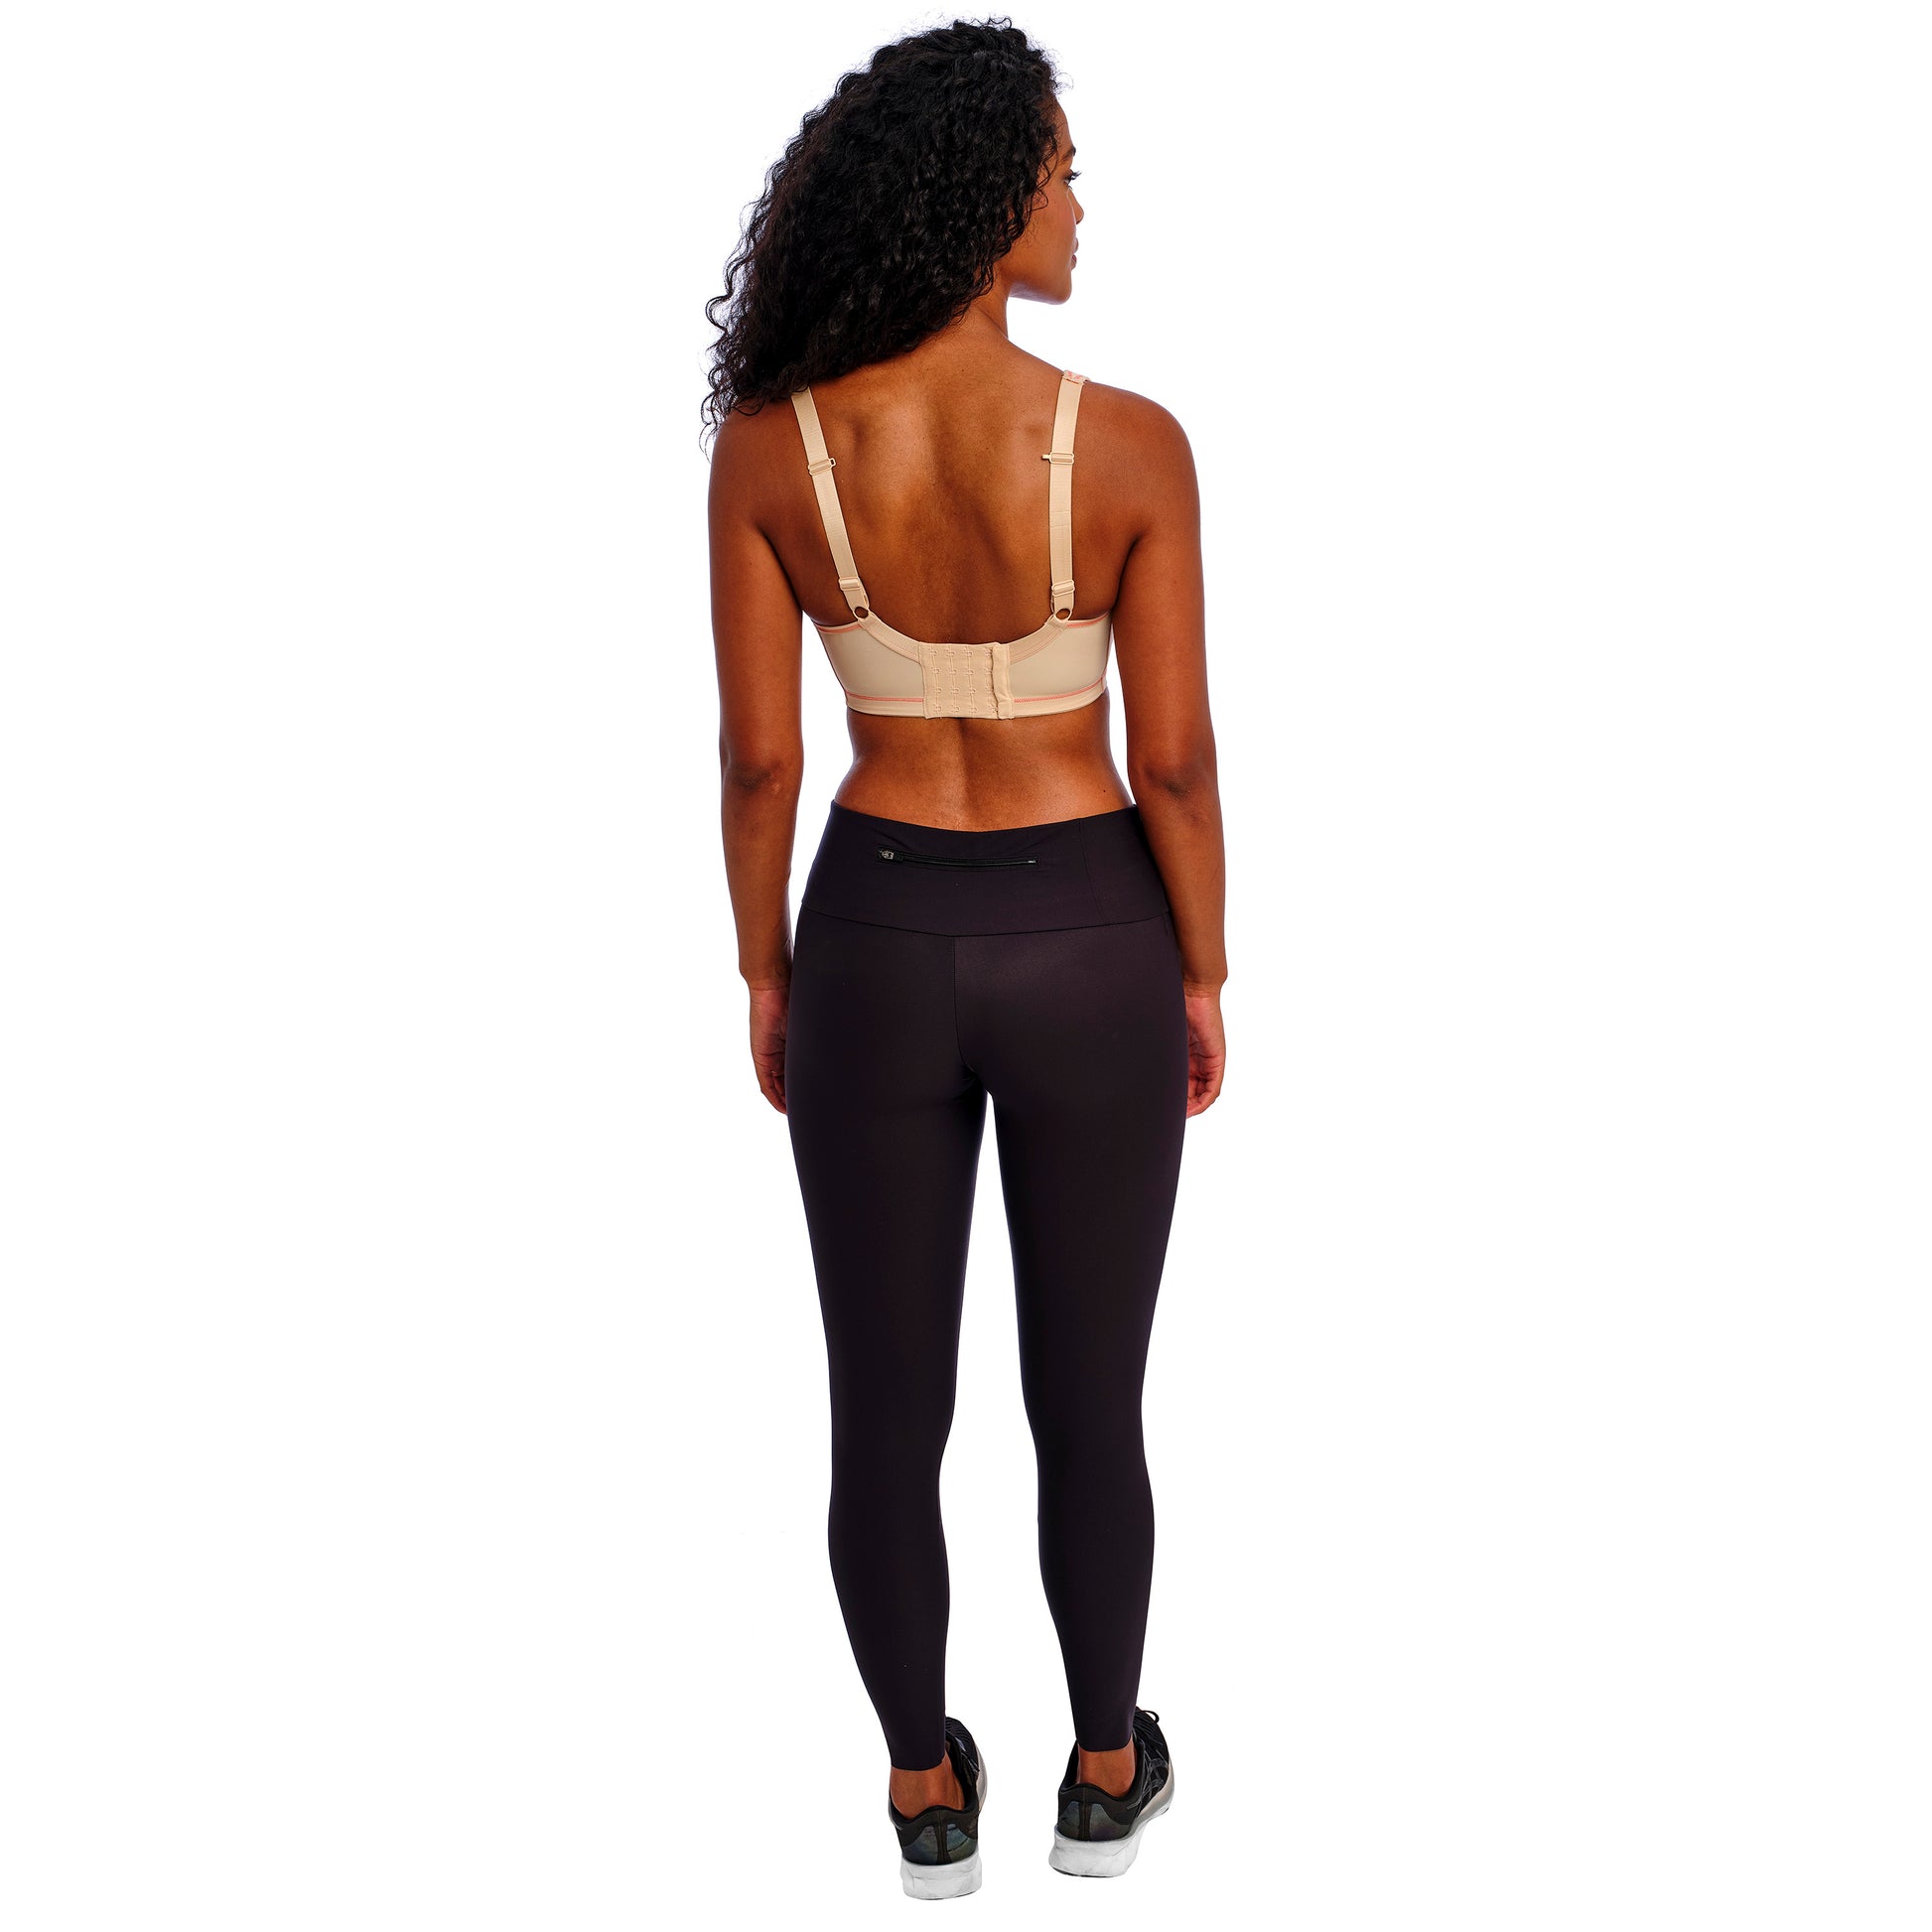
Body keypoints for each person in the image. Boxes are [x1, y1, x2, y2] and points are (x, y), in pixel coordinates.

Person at [705, 19, 1225, 1898]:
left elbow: (761, 760)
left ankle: (925, 1790)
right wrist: (1204, 968)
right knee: (1088, 1399)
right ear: (989, 193)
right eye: (1064, 173)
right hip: (1088, 933)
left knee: (882, 1412)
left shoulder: (770, 449)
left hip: (872, 932)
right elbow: (1173, 758)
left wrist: (766, 972)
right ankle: (1104, 1768)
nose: (1081, 204)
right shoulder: (1131, 445)